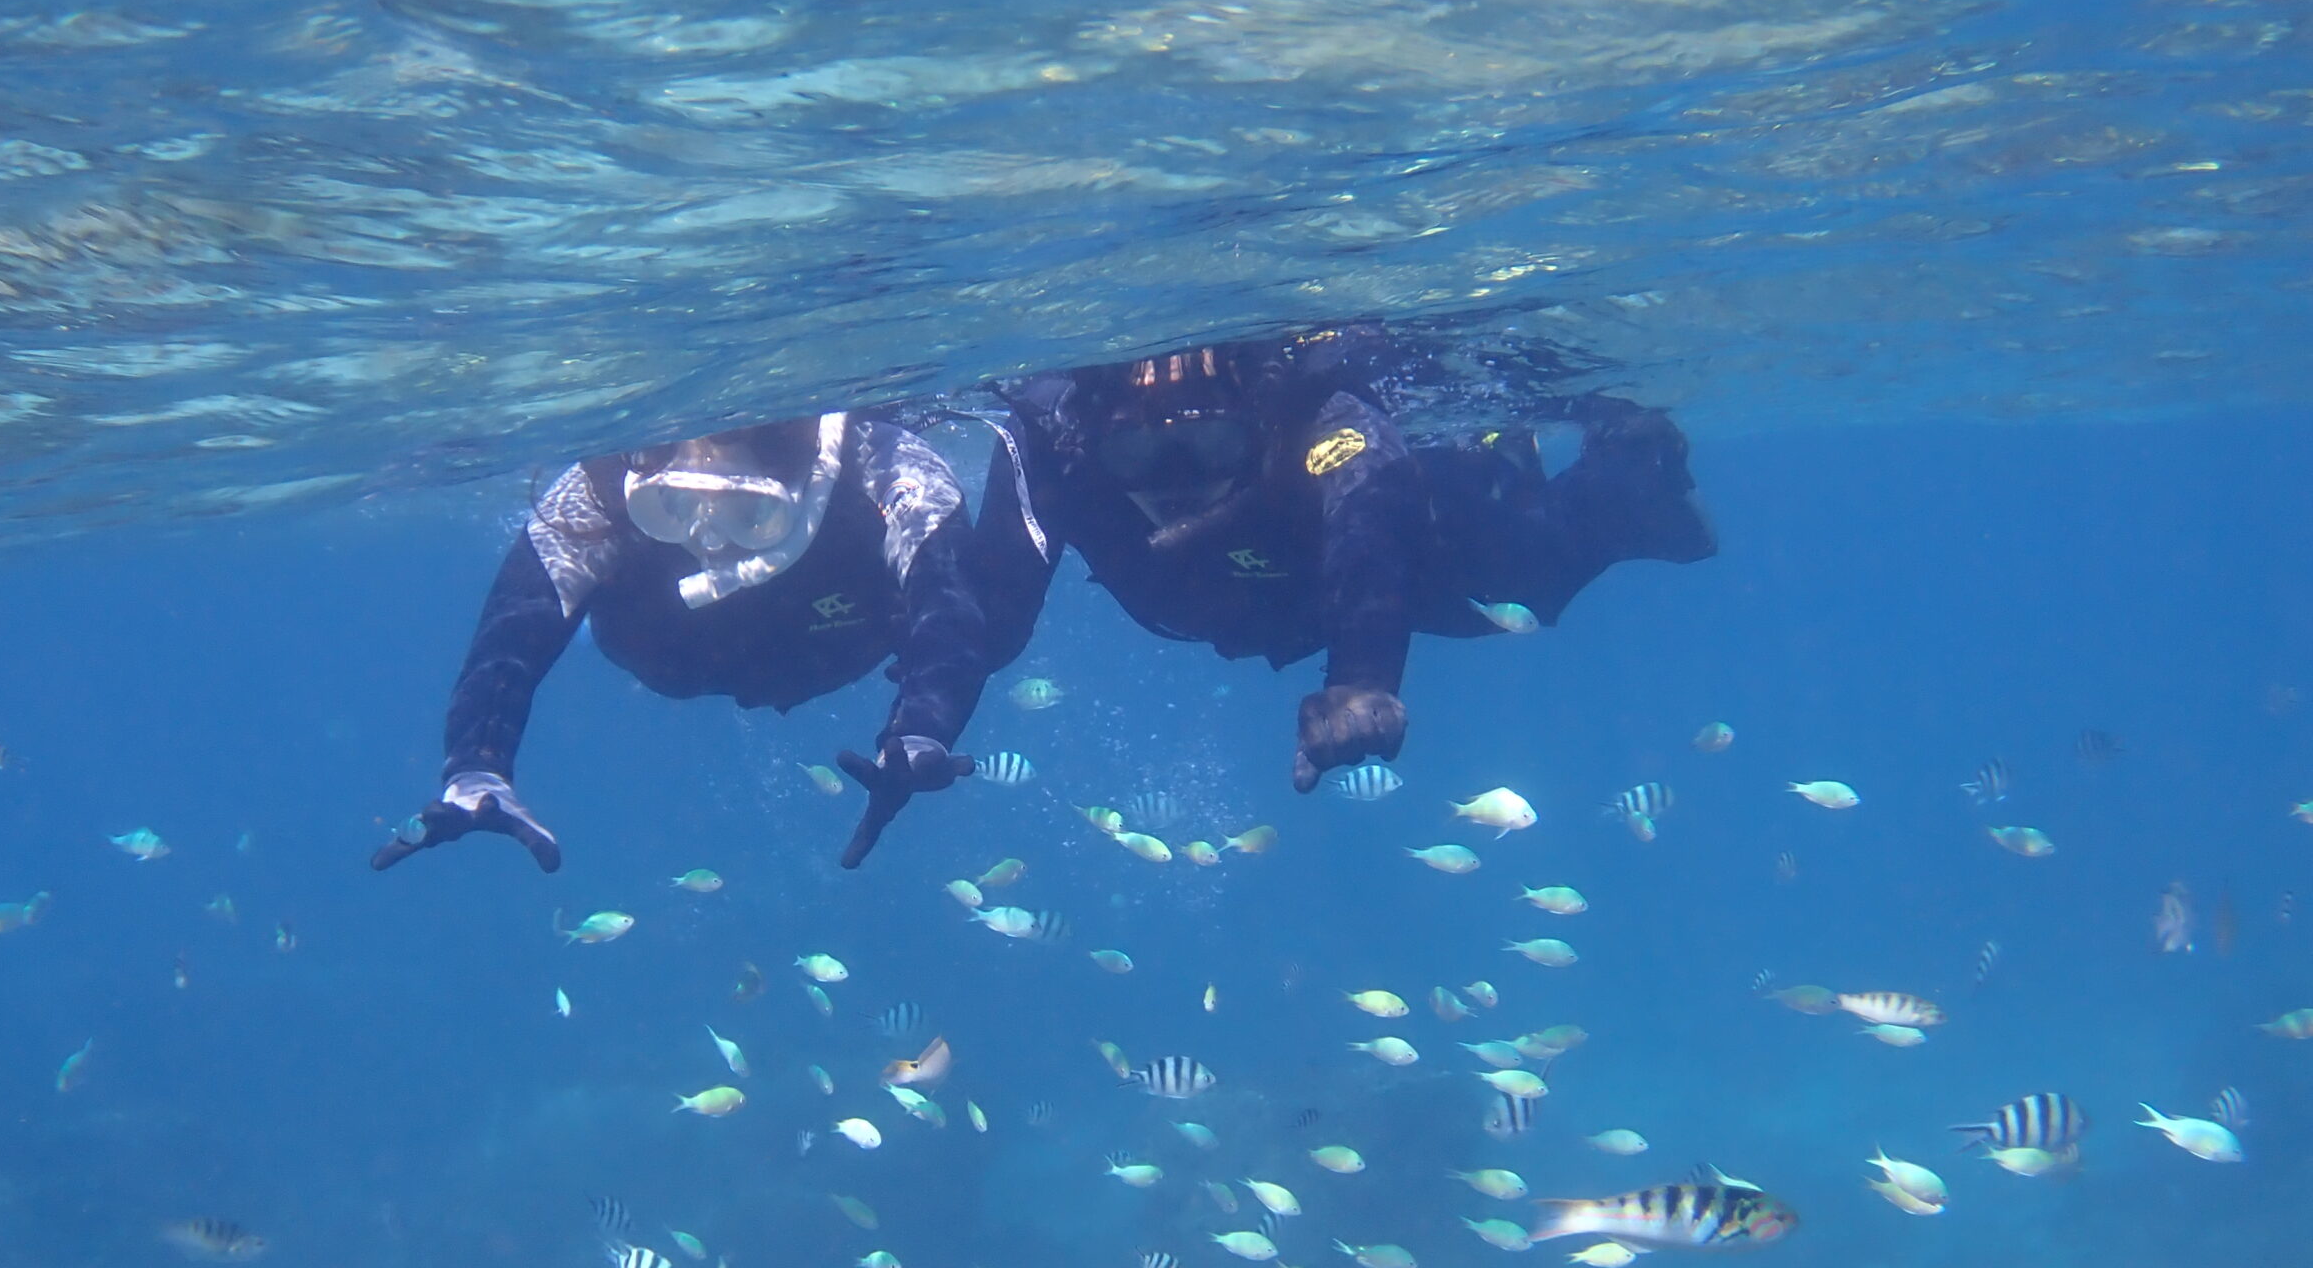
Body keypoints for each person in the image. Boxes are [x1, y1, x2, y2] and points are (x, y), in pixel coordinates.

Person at [988, 330, 1716, 789]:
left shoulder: (1312, 415)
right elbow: (983, 595)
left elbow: (1368, 515)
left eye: (1210, 446)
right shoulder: (1067, 455)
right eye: (1139, 454)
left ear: (1251, 431)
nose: (1178, 479)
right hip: (1291, 605)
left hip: (1423, 537)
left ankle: (1624, 449)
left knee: (1532, 571)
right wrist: (922, 720)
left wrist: (1364, 681)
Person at [372, 412, 1024, 873]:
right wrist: (477, 765)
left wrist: (920, 731)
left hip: (834, 643)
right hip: (678, 655)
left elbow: (948, 601)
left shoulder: (884, 466)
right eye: (673, 507)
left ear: (802, 483)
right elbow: (516, 623)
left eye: (749, 513)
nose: (709, 544)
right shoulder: (598, 489)